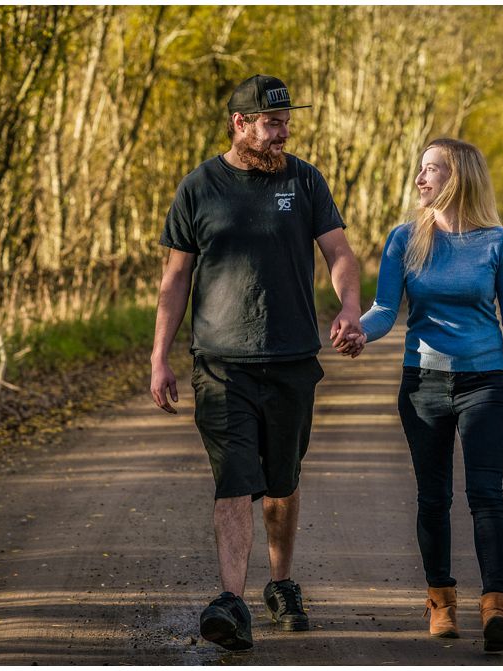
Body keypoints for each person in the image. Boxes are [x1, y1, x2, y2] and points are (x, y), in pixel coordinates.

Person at [150, 74, 362, 651]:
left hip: (293, 358)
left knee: (281, 483)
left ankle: (281, 583)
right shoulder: (199, 186)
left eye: (286, 122)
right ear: (240, 123)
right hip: (221, 365)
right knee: (234, 481)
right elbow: (175, 279)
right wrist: (159, 358)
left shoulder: (306, 179)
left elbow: (339, 252)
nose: (283, 133)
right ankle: (231, 601)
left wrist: (349, 307)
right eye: (272, 123)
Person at [338, 138, 503, 653]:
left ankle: (496, 605)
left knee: (486, 496)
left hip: (484, 385)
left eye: (431, 169)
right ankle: (441, 604)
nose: (420, 179)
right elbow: (387, 308)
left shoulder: (497, 242)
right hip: (423, 386)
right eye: (421, 169)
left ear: (459, 177)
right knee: (434, 498)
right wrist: (359, 329)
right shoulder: (405, 238)